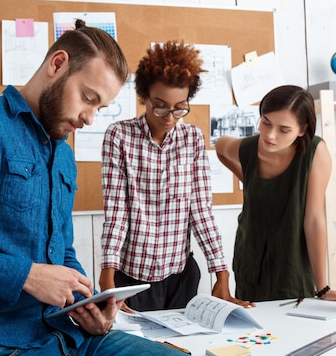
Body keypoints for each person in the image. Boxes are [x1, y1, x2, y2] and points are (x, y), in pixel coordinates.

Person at [0, 21, 183, 356]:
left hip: (65, 334)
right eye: (88, 97)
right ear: (57, 64)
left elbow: (62, 253)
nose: (89, 118)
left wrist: (88, 308)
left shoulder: (64, 154)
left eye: (99, 108)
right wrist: (25, 276)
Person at [99, 40, 251, 312]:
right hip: (131, 279)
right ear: (144, 96)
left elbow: (200, 211)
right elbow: (117, 211)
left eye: (179, 107)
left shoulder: (192, 139)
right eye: (160, 106)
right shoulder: (119, 136)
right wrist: (107, 275)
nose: (169, 116)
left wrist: (221, 274)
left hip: (181, 277)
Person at [215, 85, 336, 302]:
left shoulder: (314, 153)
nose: (270, 135)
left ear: (302, 129)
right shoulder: (249, 148)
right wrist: (248, 180)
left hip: (292, 265)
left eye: (283, 130)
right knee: (251, 332)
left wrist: (322, 288)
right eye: (266, 122)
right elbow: (221, 147)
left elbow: (314, 219)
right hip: (250, 261)